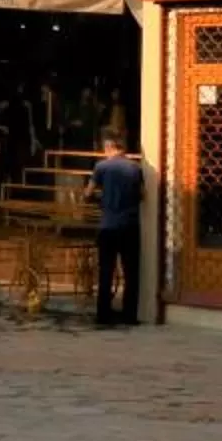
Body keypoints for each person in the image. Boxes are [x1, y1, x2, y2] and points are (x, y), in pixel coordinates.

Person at [87, 130, 145, 328]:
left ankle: (103, 315)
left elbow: (88, 193)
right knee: (131, 272)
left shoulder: (101, 167)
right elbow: (143, 194)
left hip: (108, 226)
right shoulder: (135, 168)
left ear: (109, 147)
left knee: (106, 271)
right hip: (130, 226)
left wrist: (100, 199)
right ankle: (129, 315)